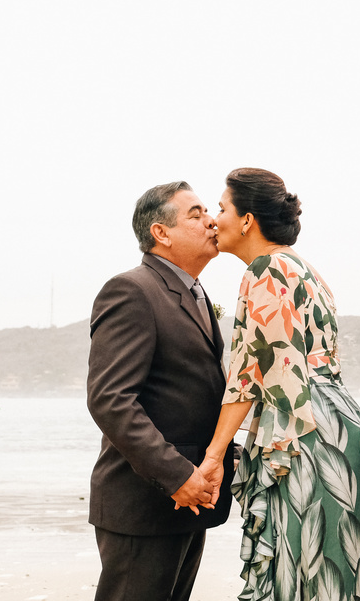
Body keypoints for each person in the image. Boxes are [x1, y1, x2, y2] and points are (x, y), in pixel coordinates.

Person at [198, 168, 360, 601]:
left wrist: (213, 456)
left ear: (246, 220)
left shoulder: (265, 270)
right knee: (338, 571)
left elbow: (250, 375)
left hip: (304, 432)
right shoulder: (306, 269)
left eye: (221, 209)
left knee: (300, 568)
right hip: (342, 423)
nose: (213, 219)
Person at [86, 181, 235, 601]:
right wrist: (177, 476)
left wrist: (225, 459)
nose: (210, 219)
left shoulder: (197, 295)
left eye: (209, 210)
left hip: (189, 500)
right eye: (195, 213)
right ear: (161, 233)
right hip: (145, 503)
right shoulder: (132, 290)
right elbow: (110, 399)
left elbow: (193, 395)